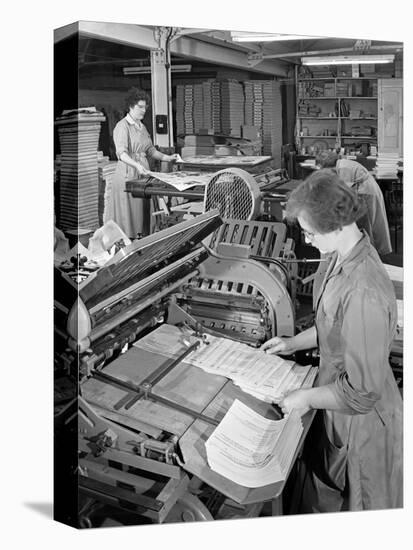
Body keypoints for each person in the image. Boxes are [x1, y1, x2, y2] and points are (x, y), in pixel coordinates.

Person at [262, 169, 402, 512]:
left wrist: (306, 397)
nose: (307, 240)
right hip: (340, 402)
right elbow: (332, 326)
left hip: (363, 424)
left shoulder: (363, 288)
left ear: (336, 225)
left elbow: (362, 392)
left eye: (310, 232)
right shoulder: (337, 256)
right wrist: (292, 344)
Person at [104, 87, 180, 238]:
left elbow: (150, 150)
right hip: (128, 172)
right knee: (130, 212)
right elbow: (122, 154)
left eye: (145, 107)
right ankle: (129, 242)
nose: (143, 110)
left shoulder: (142, 126)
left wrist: (167, 158)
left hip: (142, 171)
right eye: (140, 107)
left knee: (144, 209)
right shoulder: (122, 126)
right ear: (131, 106)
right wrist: (137, 165)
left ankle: (144, 238)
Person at [315, 150, 392, 256]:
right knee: (371, 224)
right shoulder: (341, 165)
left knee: (368, 225)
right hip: (366, 190)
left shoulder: (343, 168)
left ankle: (370, 254)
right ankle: (370, 252)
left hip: (367, 193)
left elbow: (345, 193)